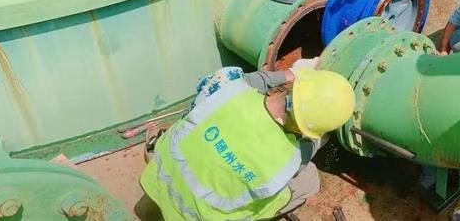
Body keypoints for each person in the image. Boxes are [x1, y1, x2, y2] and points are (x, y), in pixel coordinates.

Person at [140, 61, 355, 220]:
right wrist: (322, 133)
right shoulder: (290, 158)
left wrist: (290, 74)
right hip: (198, 216)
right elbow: (311, 145)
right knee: (310, 180)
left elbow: (252, 80)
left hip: (159, 175)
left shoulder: (228, 86)